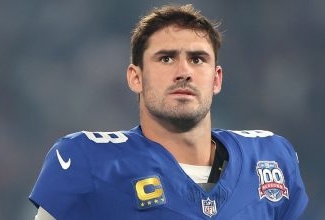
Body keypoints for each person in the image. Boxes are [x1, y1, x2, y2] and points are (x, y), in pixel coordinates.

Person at [29, 4, 308, 220]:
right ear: (135, 77)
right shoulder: (89, 161)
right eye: (166, 58)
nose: (183, 72)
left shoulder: (269, 160)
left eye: (197, 59)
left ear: (216, 79)